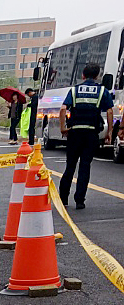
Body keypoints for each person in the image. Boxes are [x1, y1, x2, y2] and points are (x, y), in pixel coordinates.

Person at [59, 63, 113, 209]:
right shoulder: (102, 91)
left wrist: (63, 128)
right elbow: (109, 111)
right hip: (91, 133)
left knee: (70, 165)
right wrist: (109, 132)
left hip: (75, 132)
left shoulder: (74, 90)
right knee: (85, 166)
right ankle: (80, 200)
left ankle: (63, 198)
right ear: (97, 76)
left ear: (83, 75)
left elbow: (63, 109)